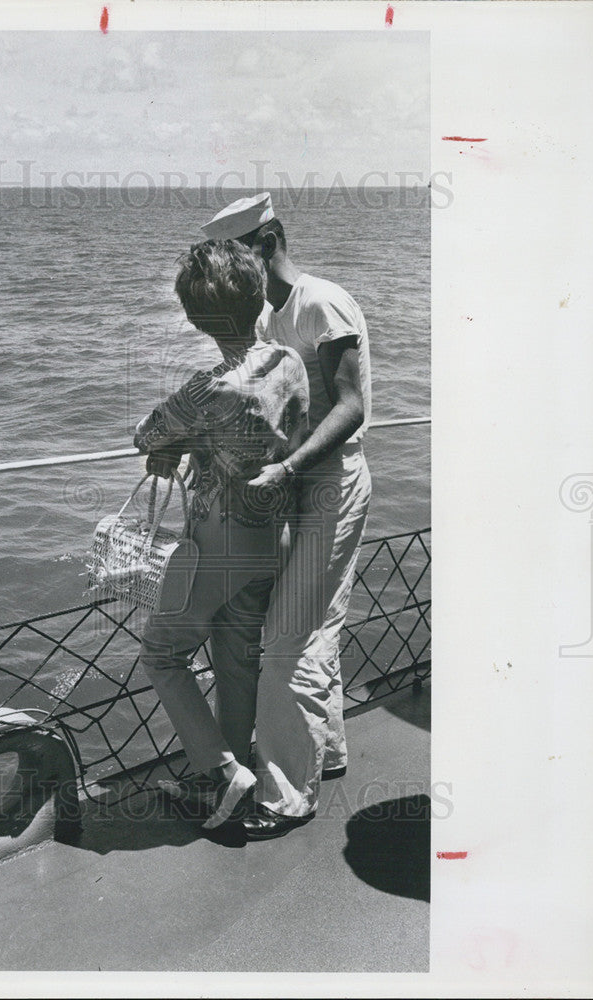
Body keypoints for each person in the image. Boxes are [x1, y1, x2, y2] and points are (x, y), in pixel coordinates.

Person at [200, 192, 372, 838]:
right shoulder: (270, 324)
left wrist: (289, 468)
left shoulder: (319, 305)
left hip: (331, 483)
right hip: (299, 486)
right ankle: (326, 755)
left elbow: (350, 405)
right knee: (318, 624)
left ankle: (285, 798)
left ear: (266, 242)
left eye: (237, 258)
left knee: (283, 639)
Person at [133, 238, 309, 830]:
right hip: (272, 539)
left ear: (194, 319)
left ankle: (220, 769)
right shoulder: (288, 362)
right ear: (259, 298)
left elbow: (146, 434)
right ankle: (232, 789)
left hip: (220, 543)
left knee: (161, 653)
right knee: (236, 662)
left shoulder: (209, 389)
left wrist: (179, 442)